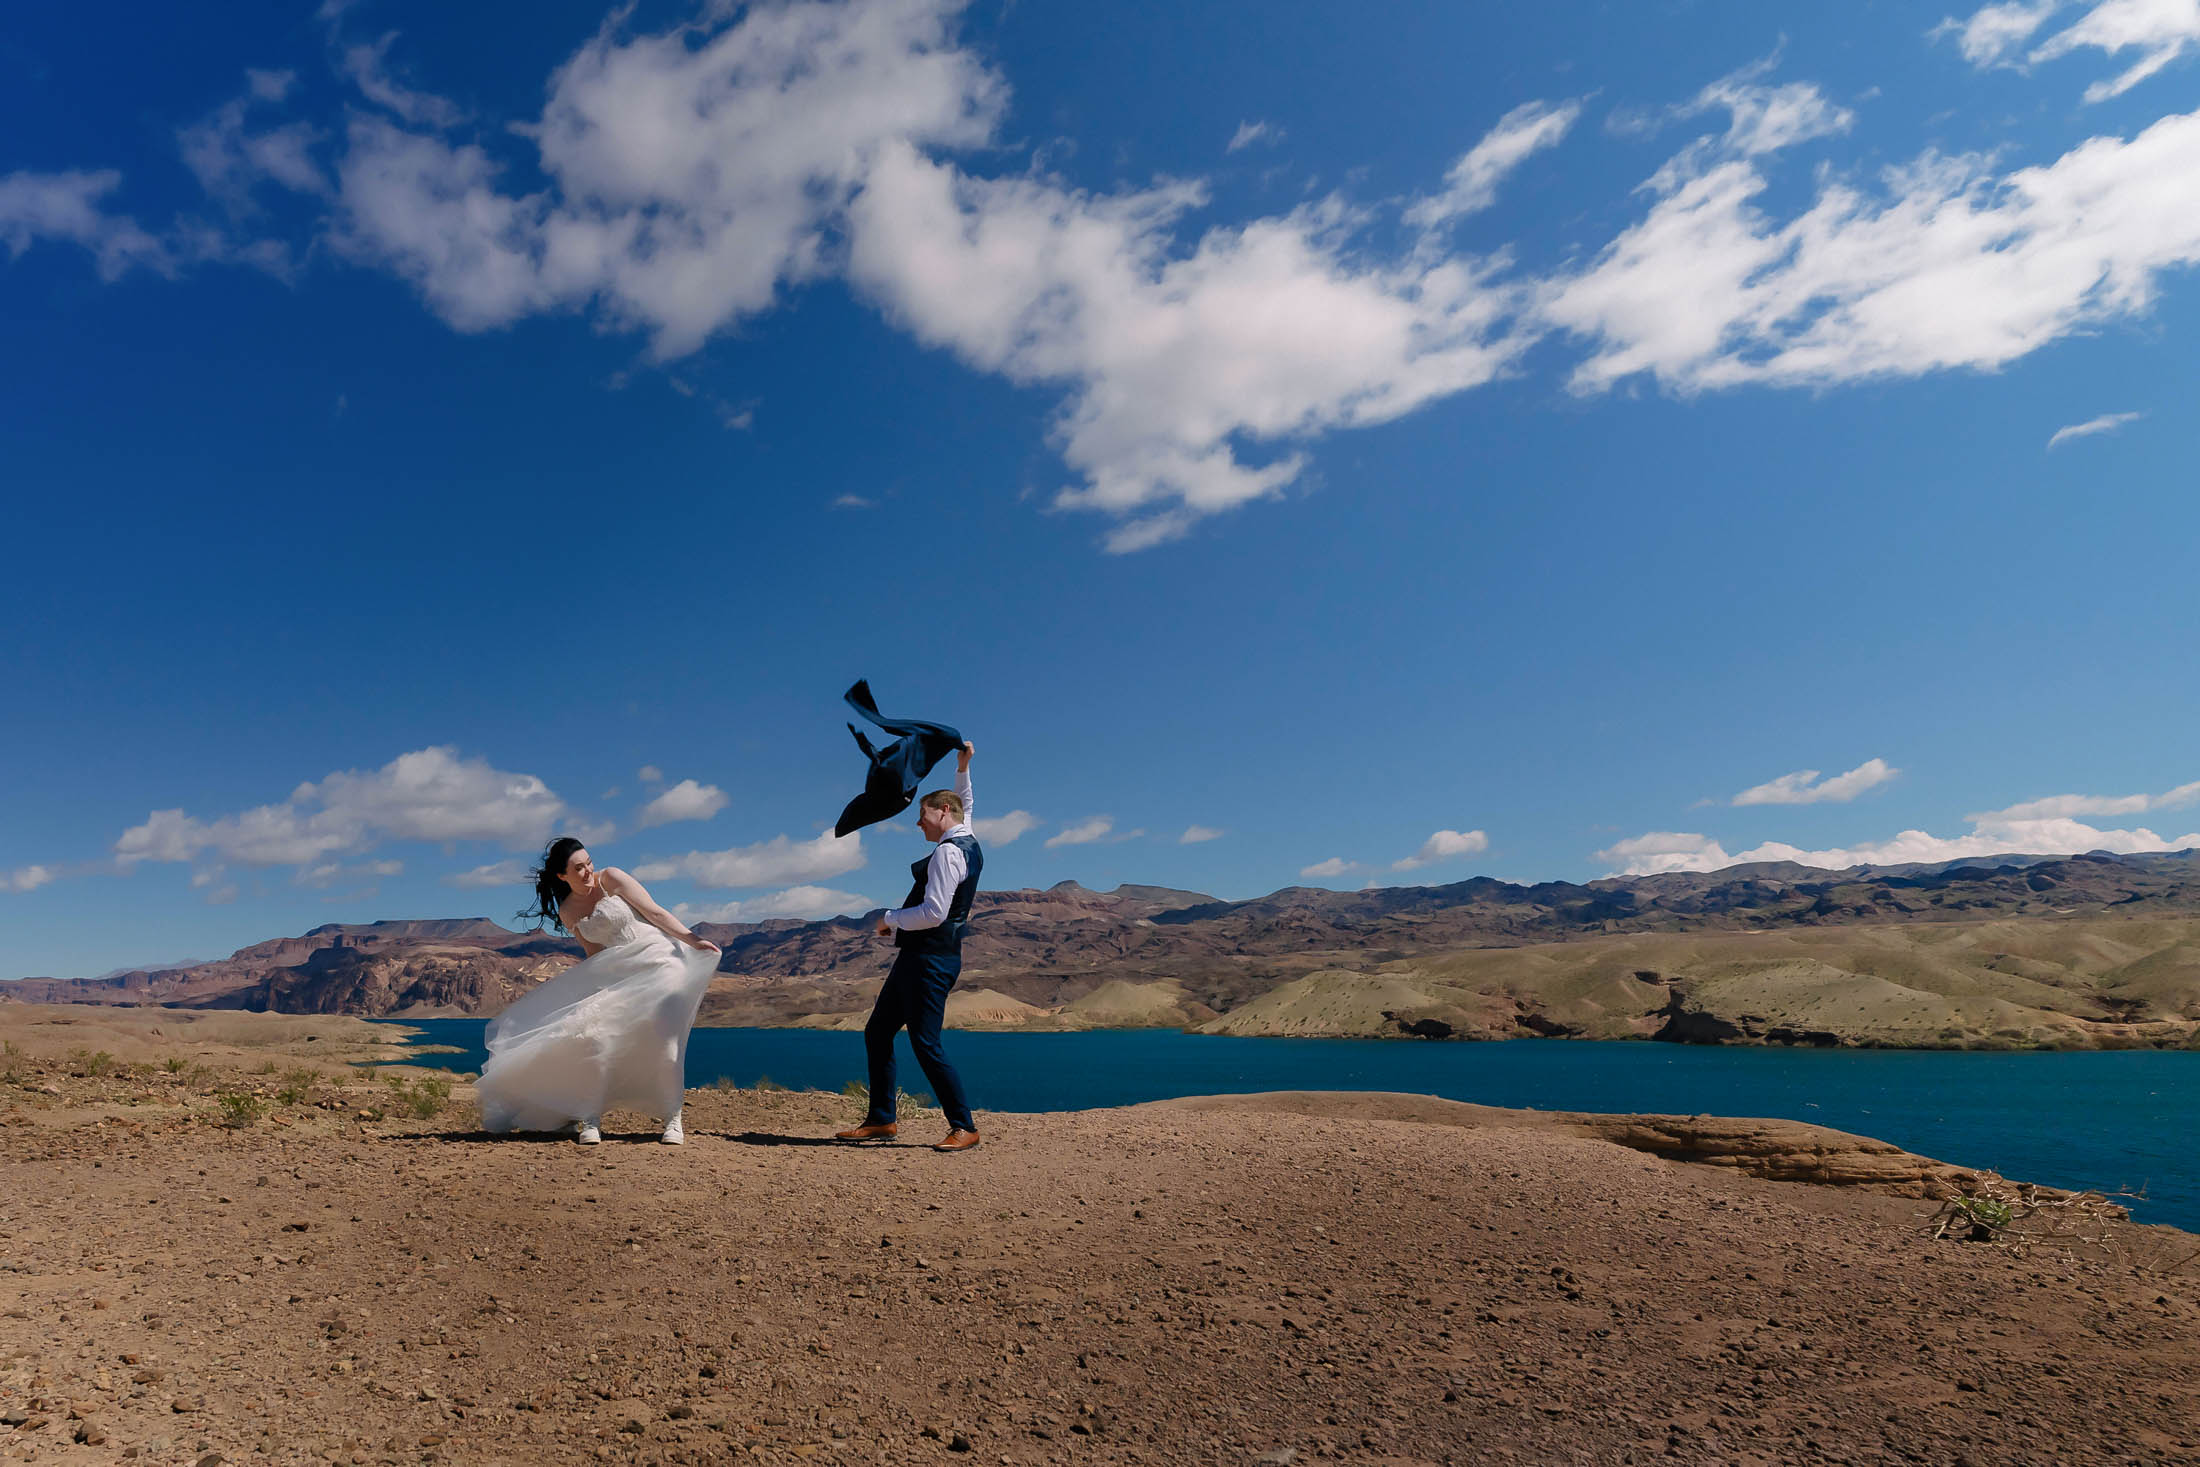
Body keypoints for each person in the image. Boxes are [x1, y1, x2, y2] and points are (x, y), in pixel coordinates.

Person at [476, 838, 721, 1145]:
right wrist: (597, 995)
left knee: (665, 1041)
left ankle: (674, 1120)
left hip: (660, 962)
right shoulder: (568, 911)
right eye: (578, 868)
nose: (588, 871)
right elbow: (594, 954)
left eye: (589, 862)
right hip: (619, 974)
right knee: (595, 1039)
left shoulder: (613, 878)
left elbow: (655, 913)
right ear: (562, 876)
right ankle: (589, 1119)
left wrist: (693, 940)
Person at [835, 739, 984, 1151]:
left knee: (926, 1044)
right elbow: (965, 802)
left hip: (930, 962)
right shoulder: (964, 834)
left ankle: (964, 1126)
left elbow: (934, 912)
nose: (918, 823)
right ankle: (882, 1119)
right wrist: (963, 765)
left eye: (922, 816)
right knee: (878, 1032)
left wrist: (890, 919)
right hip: (918, 959)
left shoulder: (949, 854)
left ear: (942, 813)